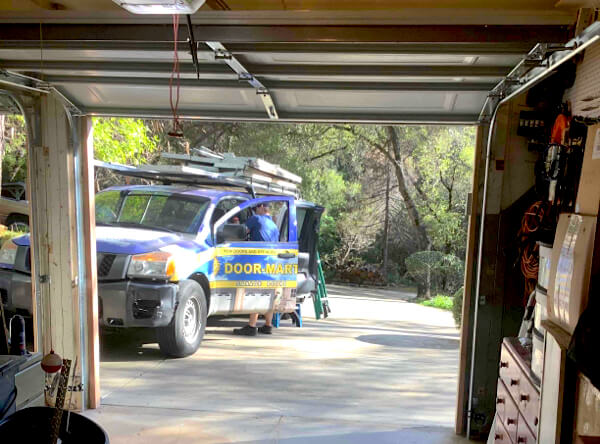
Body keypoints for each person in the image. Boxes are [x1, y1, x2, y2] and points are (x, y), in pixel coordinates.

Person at [233, 202, 280, 337]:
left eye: (255, 208)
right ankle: (268, 325)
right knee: (268, 292)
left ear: (260, 207)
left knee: (256, 291)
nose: (254, 211)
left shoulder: (256, 219)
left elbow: (240, 233)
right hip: (272, 263)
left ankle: (251, 326)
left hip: (259, 262)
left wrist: (235, 224)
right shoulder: (274, 225)